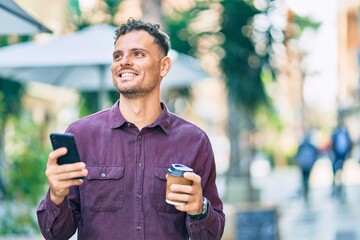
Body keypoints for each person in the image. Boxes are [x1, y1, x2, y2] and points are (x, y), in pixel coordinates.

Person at [36, 18, 225, 240]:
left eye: (138, 54)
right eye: (118, 55)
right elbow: (55, 234)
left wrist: (199, 209)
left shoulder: (194, 141)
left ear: (164, 66)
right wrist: (57, 195)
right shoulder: (80, 135)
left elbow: (212, 235)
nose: (124, 62)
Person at [330, 120, 352, 198]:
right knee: (335, 170)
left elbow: (349, 144)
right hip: (336, 155)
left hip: (343, 155)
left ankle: (341, 185)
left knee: (342, 170)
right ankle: (335, 185)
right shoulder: (335, 134)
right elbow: (332, 144)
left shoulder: (346, 134)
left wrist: (348, 153)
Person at [294, 132, 318, 201]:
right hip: (305, 165)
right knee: (305, 179)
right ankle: (305, 190)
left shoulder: (307, 146)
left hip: (306, 165)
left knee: (306, 179)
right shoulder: (305, 146)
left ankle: (306, 190)